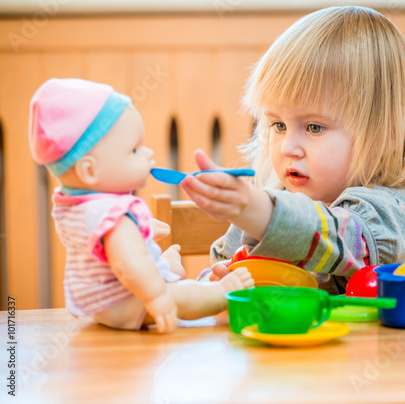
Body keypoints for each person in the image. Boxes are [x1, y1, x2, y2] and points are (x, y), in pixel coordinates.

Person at [181, 6, 405, 294]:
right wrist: (214, 284)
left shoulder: (393, 212)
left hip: (373, 341)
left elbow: (341, 240)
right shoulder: (276, 197)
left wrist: (257, 210)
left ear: (388, 135)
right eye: (278, 125)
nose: (287, 148)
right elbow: (222, 265)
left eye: (314, 128)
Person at [28, 78, 253, 333]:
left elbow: (104, 245)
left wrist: (140, 232)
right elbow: (128, 265)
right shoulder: (116, 216)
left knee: (162, 269)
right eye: (134, 150)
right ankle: (222, 292)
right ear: (90, 170)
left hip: (102, 305)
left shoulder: (72, 205)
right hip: (132, 301)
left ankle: (166, 267)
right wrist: (158, 298)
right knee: (185, 294)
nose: (148, 154)